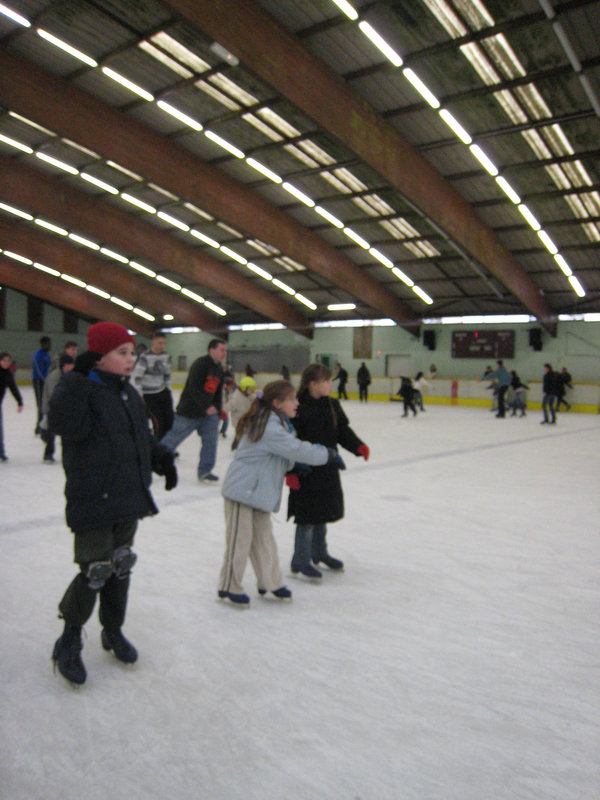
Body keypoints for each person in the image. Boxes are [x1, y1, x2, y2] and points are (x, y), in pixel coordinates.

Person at [48, 322, 177, 686]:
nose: (130, 359)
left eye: (131, 352)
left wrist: (160, 457)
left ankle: (113, 630)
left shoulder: (127, 394)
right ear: (99, 356)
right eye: (121, 352)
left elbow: (138, 438)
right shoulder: (82, 390)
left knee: (120, 566)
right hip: (94, 498)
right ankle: (69, 638)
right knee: (96, 570)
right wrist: (77, 376)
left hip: (127, 497)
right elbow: (62, 423)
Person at [218, 380, 335, 606]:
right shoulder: (269, 425)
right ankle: (228, 586)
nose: (297, 403)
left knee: (264, 541)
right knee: (239, 542)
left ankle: (270, 582)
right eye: (292, 399)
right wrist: (325, 454)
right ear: (277, 403)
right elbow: (294, 448)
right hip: (242, 491)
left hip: (259, 492)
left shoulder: (278, 423)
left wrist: (293, 465)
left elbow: (281, 453)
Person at [287, 363, 369, 578]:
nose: (331, 384)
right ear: (313, 384)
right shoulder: (297, 407)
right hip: (305, 469)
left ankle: (319, 553)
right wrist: (291, 472)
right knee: (306, 517)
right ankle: (300, 560)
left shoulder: (332, 405)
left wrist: (358, 446)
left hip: (328, 467)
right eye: (326, 381)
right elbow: (288, 442)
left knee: (322, 512)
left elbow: (342, 431)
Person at [160, 339, 227, 482]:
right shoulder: (200, 364)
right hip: (189, 412)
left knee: (210, 442)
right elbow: (193, 388)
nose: (224, 353)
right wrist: (206, 406)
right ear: (212, 350)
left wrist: (217, 408)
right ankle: (151, 462)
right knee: (172, 439)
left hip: (209, 415)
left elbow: (217, 392)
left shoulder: (219, 369)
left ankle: (205, 471)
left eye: (225, 350)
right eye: (222, 350)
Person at [130, 330, 174, 440]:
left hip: (163, 392)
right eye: (159, 343)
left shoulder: (166, 356)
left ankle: (167, 445)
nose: (162, 346)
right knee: (158, 422)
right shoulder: (145, 357)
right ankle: (159, 447)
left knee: (170, 420)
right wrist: (140, 394)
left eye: (164, 343)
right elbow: (137, 377)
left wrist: (168, 390)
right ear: (153, 341)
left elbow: (167, 375)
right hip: (149, 395)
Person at [39, 353, 74, 463]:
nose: (72, 367)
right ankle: (48, 454)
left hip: (63, 408)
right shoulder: (54, 377)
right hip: (52, 408)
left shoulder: (69, 375)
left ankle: (68, 454)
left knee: (66, 433)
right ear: (64, 365)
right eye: (70, 365)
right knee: (51, 432)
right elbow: (54, 396)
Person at [0, 351, 24, 462]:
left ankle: (1, 452)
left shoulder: (8, 374)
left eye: (8, 361)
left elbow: (13, 388)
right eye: (4, 360)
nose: (6, 363)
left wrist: (19, 401)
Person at [32, 335, 52, 434]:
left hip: (46, 381)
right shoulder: (38, 355)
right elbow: (39, 371)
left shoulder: (47, 355)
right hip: (39, 382)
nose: (50, 346)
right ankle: (39, 427)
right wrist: (46, 380)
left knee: (46, 404)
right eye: (48, 344)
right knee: (41, 404)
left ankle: (44, 425)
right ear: (43, 344)